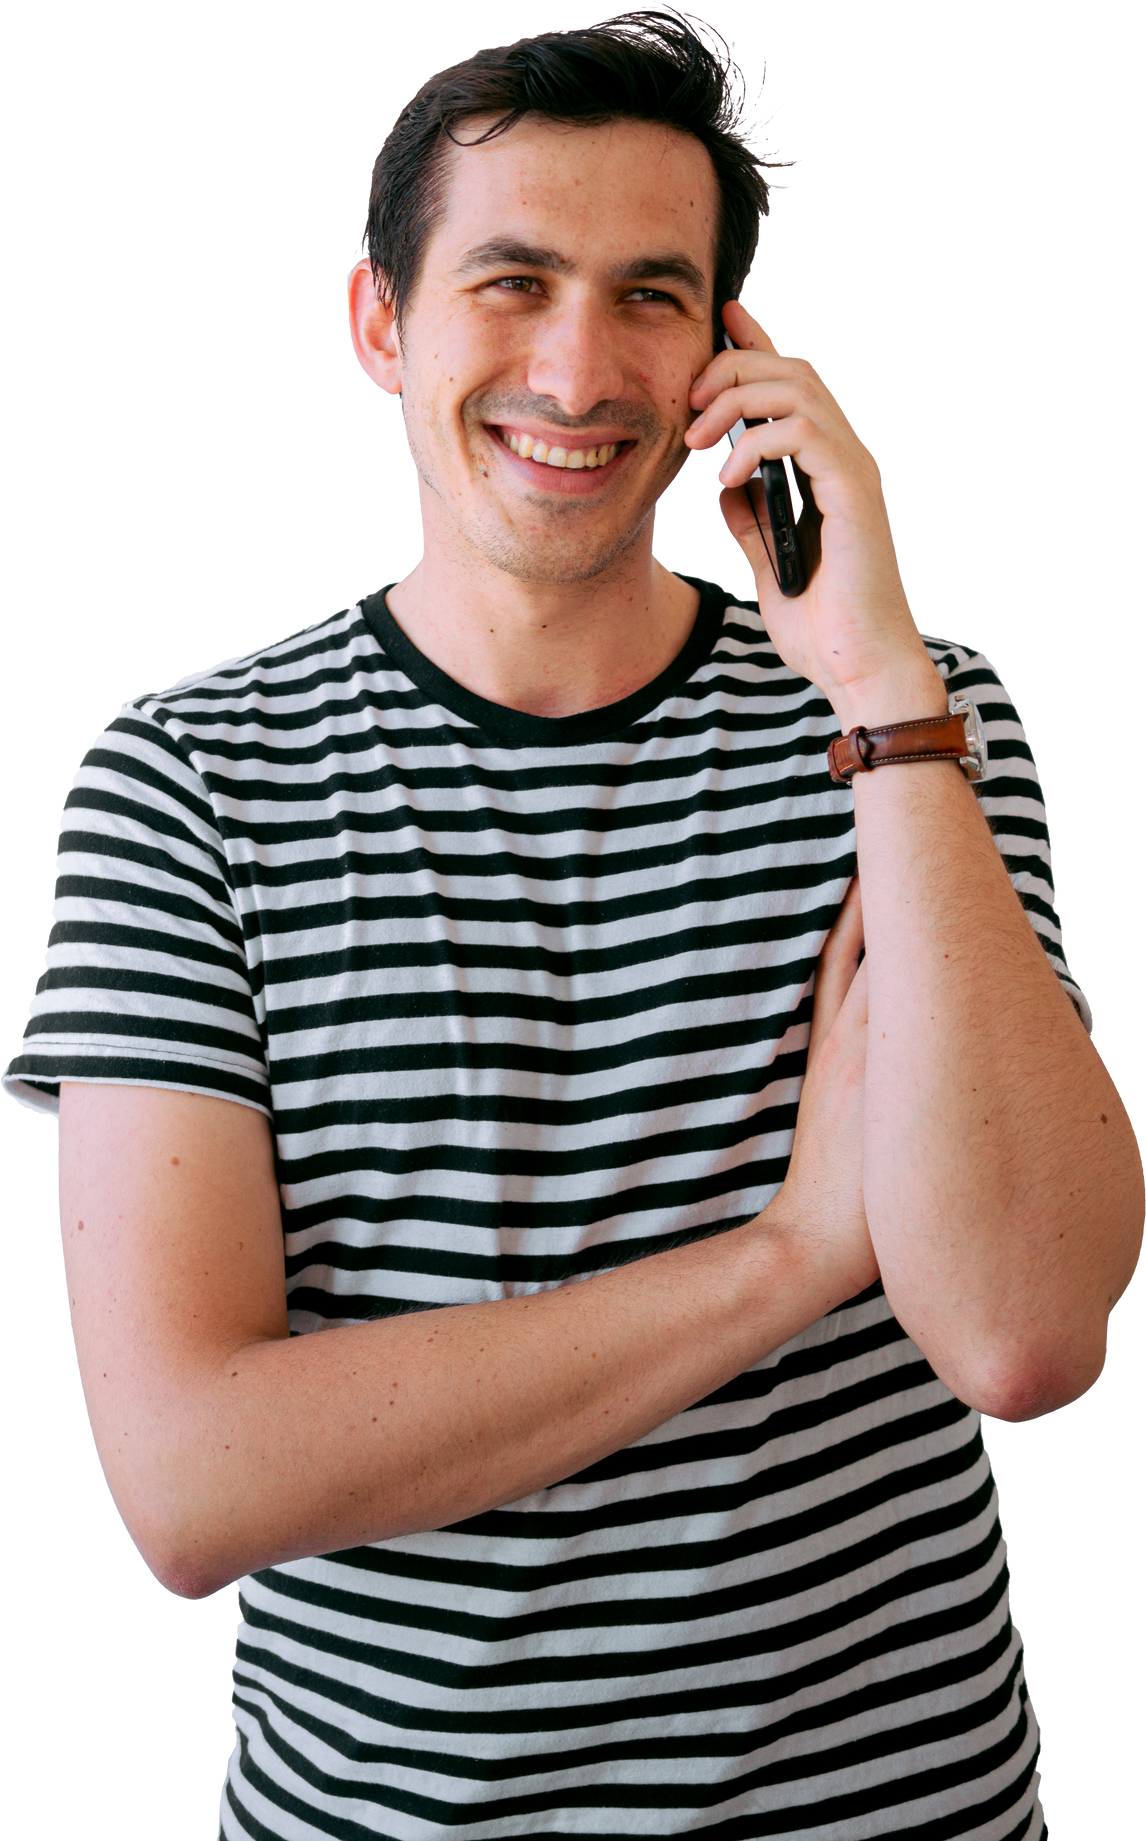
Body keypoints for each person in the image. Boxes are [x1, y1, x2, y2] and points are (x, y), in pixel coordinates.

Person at [6, 10, 1141, 1838]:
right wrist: (789, 1257)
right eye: (511, 282)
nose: (578, 367)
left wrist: (872, 676)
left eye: (650, 296)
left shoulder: (913, 725)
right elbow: (193, 1482)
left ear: (726, 355)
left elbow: (1016, 1337)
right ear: (383, 324)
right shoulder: (184, 783)